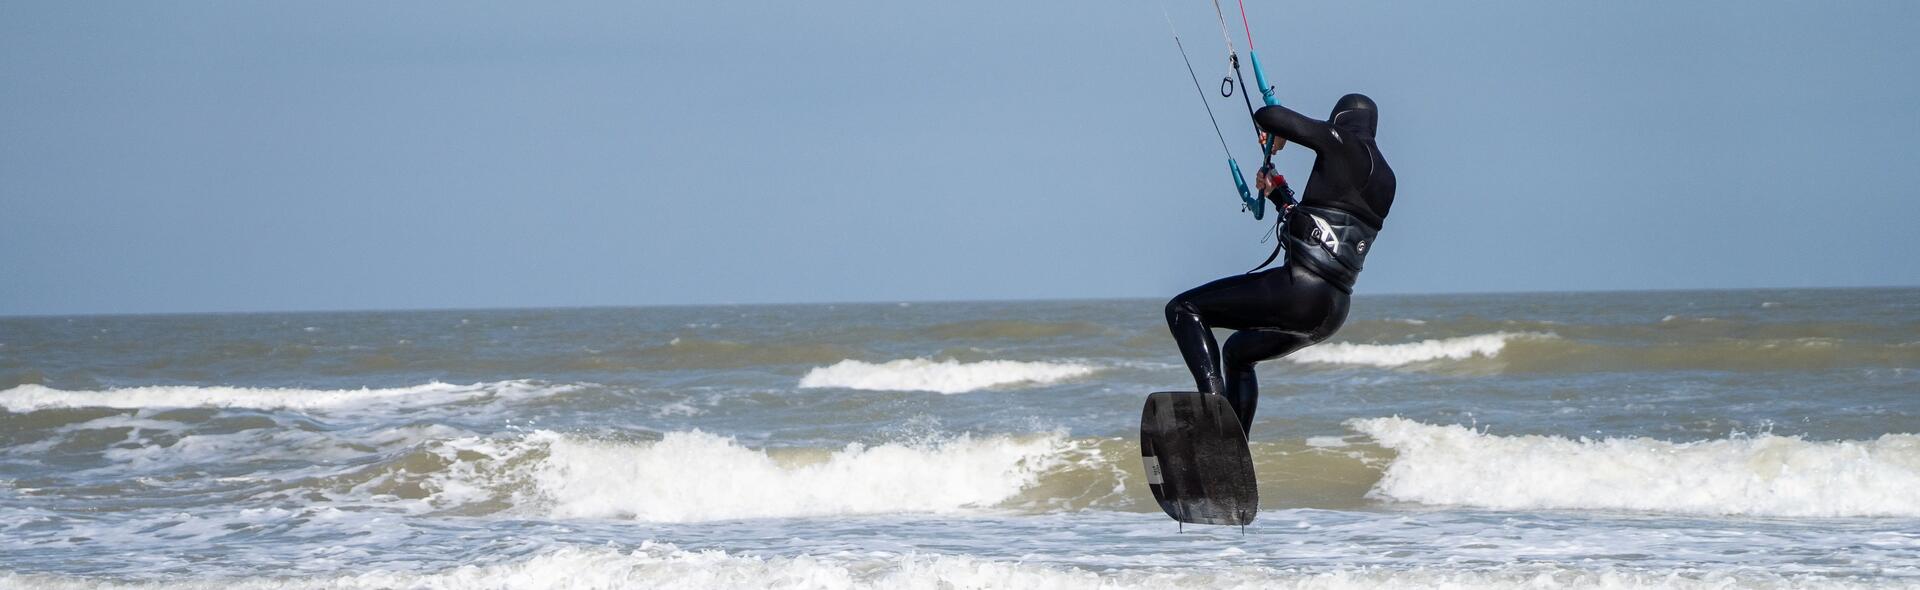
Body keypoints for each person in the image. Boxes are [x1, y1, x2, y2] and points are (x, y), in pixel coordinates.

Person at [1164, 93, 1396, 436]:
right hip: (1331, 311)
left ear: (1340, 119)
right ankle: (1234, 447)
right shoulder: (1386, 179)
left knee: (1184, 309)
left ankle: (1213, 415)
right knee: (1238, 355)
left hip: (1300, 288)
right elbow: (1329, 228)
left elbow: (1269, 114)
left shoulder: (1343, 142)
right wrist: (1278, 195)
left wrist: (1280, 134)